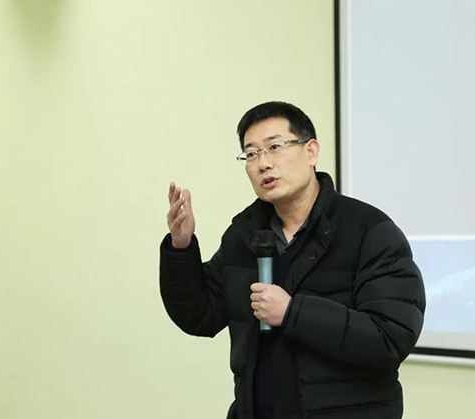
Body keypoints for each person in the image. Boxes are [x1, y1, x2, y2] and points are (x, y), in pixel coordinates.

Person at [160, 101, 426, 419]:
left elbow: (390, 338)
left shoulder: (369, 230)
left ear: (311, 152)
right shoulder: (245, 234)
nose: (263, 164)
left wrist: (292, 313)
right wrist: (181, 246)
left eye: (274, 147)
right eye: (251, 154)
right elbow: (199, 316)